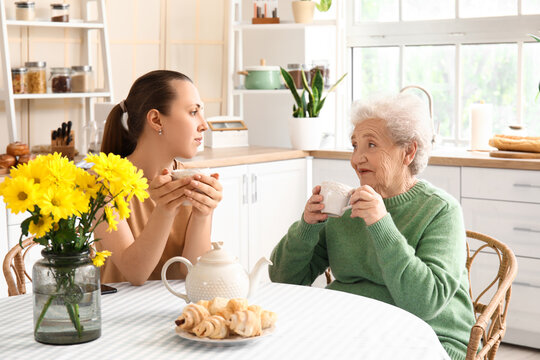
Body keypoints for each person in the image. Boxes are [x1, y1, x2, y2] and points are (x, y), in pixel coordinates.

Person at [269, 92, 476, 360]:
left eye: (371, 145)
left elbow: (426, 303)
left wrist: (381, 225)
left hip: (431, 338)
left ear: (409, 152)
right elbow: (285, 280)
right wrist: (307, 226)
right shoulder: (344, 208)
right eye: (354, 146)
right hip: (351, 330)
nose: (357, 159)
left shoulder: (441, 211)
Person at [95, 70, 223, 286]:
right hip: (117, 313)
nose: (204, 124)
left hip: (176, 309)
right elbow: (135, 273)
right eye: (193, 112)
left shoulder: (190, 180)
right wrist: (164, 209)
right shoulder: (103, 184)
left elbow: (192, 270)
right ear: (156, 119)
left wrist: (204, 213)